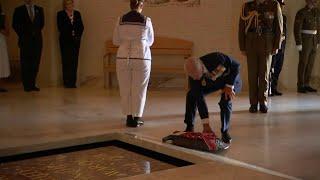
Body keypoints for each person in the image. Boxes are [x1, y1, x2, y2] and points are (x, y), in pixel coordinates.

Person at [184, 52, 241, 144]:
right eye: (193, 78)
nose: (195, 79)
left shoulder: (217, 58)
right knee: (192, 94)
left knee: (225, 100)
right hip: (211, 82)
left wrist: (229, 85)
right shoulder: (193, 77)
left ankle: (225, 131)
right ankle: (189, 126)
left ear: (202, 68)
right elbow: (200, 99)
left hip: (229, 79)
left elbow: (236, 66)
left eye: (197, 77)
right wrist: (205, 125)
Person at [113, 0, 154, 127]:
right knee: (140, 88)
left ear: (130, 5)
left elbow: (115, 40)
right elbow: (151, 41)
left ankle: (128, 117)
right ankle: (137, 118)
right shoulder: (146, 20)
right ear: (141, 5)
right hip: (141, 57)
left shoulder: (120, 20)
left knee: (125, 88)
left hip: (123, 56)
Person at [239, 0, 283, 113]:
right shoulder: (247, 6)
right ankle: (253, 103)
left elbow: (279, 25)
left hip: (266, 41)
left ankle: (263, 102)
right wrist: (242, 46)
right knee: (252, 75)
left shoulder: (273, 5)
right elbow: (241, 26)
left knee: (264, 74)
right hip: (251, 42)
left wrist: (277, 45)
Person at [12, 0, 44, 92]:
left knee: (35, 62)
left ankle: (33, 84)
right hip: (25, 41)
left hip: (37, 41)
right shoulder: (19, 10)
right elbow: (15, 25)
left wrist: (35, 32)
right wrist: (24, 34)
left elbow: (41, 24)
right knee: (26, 63)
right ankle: (26, 85)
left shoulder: (39, 9)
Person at [294, 0, 320, 93]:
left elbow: (318, 27)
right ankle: (300, 85)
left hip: (314, 40)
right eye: (313, 0)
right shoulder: (301, 12)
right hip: (305, 41)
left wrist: (318, 40)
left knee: (310, 63)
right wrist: (299, 43)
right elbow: (297, 29)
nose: (315, 2)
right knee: (303, 63)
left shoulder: (316, 12)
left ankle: (307, 83)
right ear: (308, 1)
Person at [57, 0, 84, 88]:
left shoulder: (77, 13)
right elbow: (60, 27)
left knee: (74, 61)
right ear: (65, 5)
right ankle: (67, 82)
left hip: (75, 41)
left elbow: (81, 26)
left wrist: (76, 35)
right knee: (66, 61)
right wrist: (70, 31)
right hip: (65, 41)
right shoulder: (60, 14)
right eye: (68, 4)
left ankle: (73, 82)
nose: (70, 5)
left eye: (71, 3)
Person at [269, 0, 287, 96]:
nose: (282, 7)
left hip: (281, 47)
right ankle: (268, 90)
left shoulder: (284, 17)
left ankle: (274, 88)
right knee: (271, 69)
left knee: (278, 68)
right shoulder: (272, 17)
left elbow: (285, 33)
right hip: (274, 47)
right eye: (280, 5)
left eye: (282, 5)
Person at [0, 3, 10, 92]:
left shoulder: (3, 16)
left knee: (1, 62)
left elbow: (8, 32)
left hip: (1, 40)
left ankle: (1, 85)